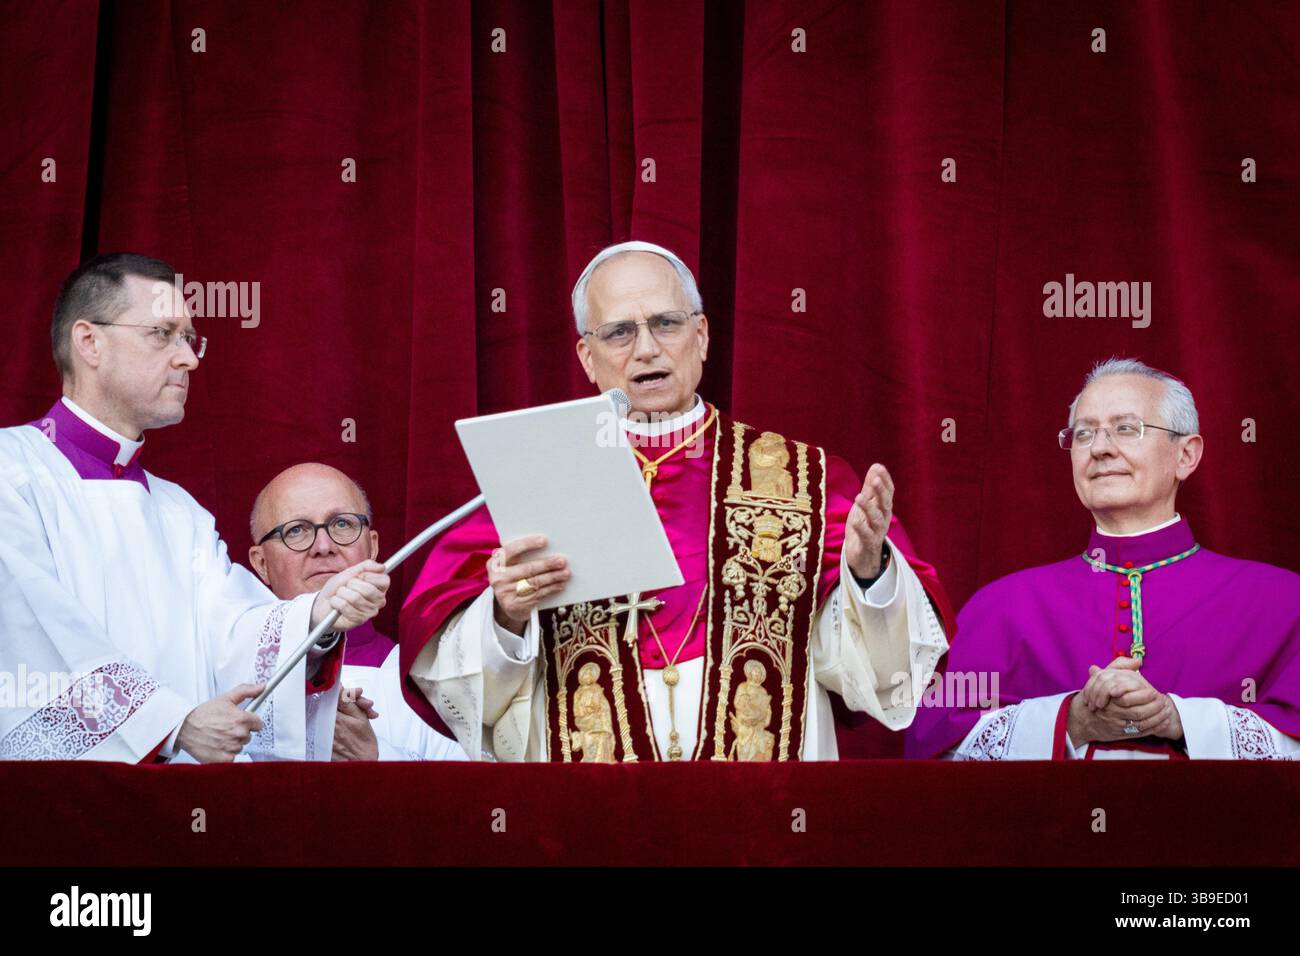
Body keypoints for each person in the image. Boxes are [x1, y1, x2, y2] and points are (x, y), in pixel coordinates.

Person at [399, 240, 955, 761]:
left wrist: (870, 575)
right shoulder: (533, 480)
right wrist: (505, 613)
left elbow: (880, 673)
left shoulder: (804, 479)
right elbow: (459, 683)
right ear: (587, 357)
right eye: (618, 332)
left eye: (666, 323)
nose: (646, 349)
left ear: (703, 336)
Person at [0, 253, 389, 763]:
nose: (190, 359)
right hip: (61, 807)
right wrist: (170, 724)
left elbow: (231, 631)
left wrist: (317, 614)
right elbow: (31, 633)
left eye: (189, 338)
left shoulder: (179, 512)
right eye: (163, 334)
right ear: (89, 341)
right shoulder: (12, 472)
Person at [907, 358, 1300, 760]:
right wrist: (1070, 720)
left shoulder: (1283, 602)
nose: (1100, 448)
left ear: (1186, 455)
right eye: (1083, 433)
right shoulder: (1001, 607)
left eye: (1126, 429)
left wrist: (1178, 718)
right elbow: (937, 752)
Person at [249, 462, 466, 761]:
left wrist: (376, 758)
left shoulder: (429, 675)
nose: (323, 547)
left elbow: (465, 795)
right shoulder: (224, 670)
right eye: (296, 530)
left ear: (373, 547)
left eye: (342, 524)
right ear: (261, 564)